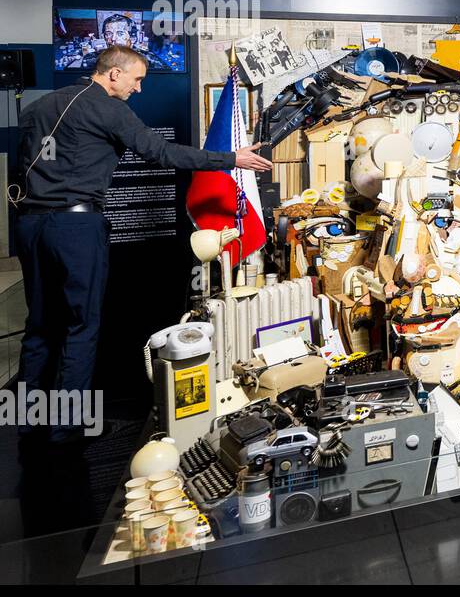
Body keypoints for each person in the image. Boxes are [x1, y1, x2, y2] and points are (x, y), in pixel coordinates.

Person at [10, 46, 272, 444]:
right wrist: (230, 158)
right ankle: (65, 427)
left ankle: (27, 419)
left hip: (30, 225)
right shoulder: (105, 107)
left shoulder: (42, 106)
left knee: (41, 324)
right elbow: (160, 152)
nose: (138, 88)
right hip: (75, 227)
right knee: (81, 325)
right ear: (113, 74)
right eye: (136, 79)